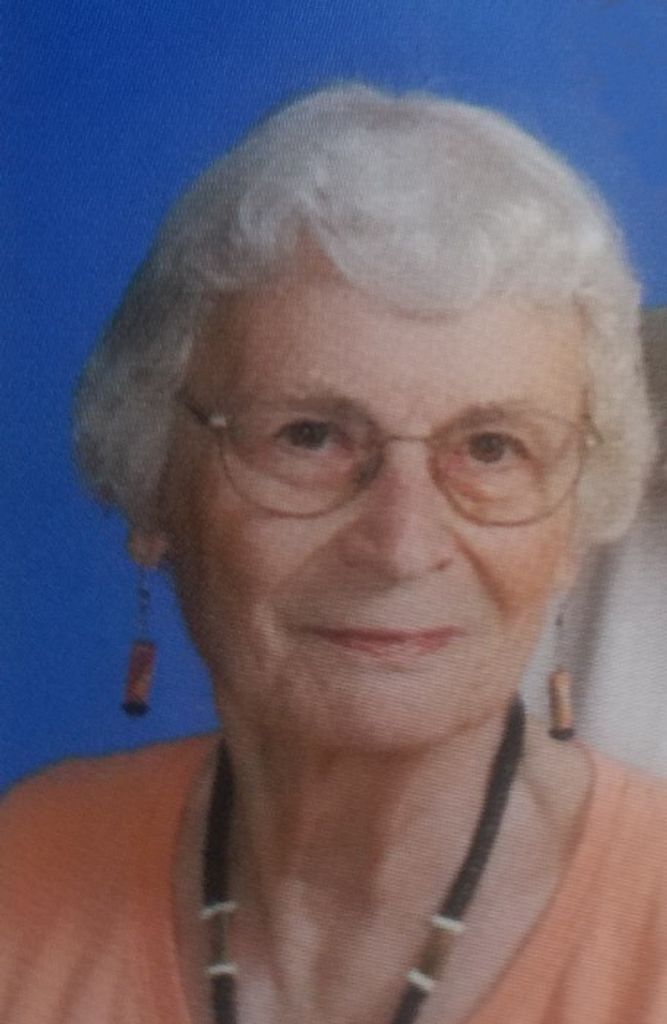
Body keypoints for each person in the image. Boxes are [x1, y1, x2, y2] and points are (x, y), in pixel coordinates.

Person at [1, 83, 665, 1024]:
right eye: (308, 436)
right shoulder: (24, 870)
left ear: (574, 524)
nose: (400, 546)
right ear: (153, 484)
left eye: (490, 449)